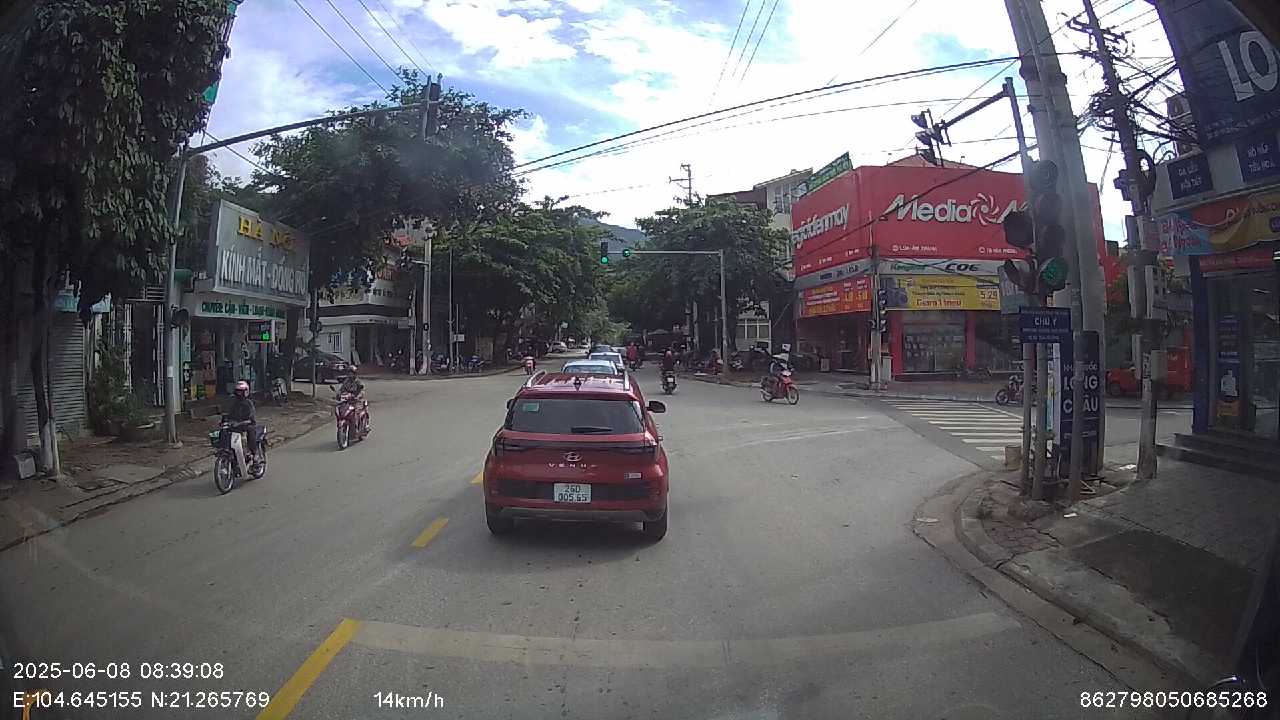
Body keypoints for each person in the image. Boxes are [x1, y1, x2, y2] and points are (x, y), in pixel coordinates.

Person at [226, 379, 261, 459]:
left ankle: (254, 453)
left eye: (241, 392)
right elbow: (229, 414)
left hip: (247, 424)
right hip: (236, 426)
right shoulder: (234, 403)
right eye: (237, 391)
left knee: (250, 430)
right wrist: (226, 420)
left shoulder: (249, 403)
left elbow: (251, 418)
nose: (239, 394)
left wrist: (242, 422)